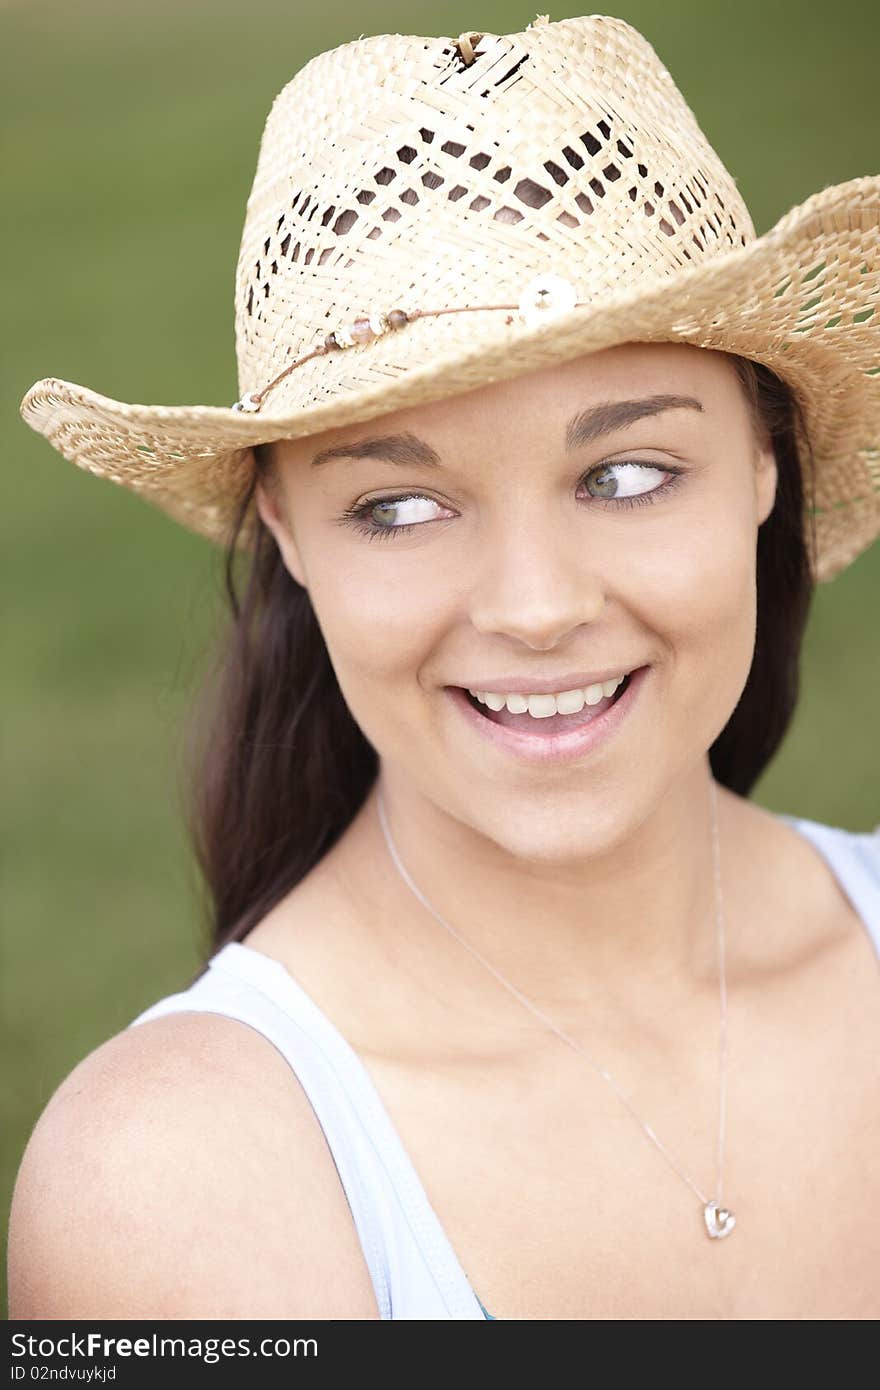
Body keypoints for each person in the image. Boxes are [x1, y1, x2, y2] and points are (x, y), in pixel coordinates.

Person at [8, 14, 879, 1321]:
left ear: (766, 465)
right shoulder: (166, 1182)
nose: (535, 607)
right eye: (401, 507)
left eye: (628, 473)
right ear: (289, 530)